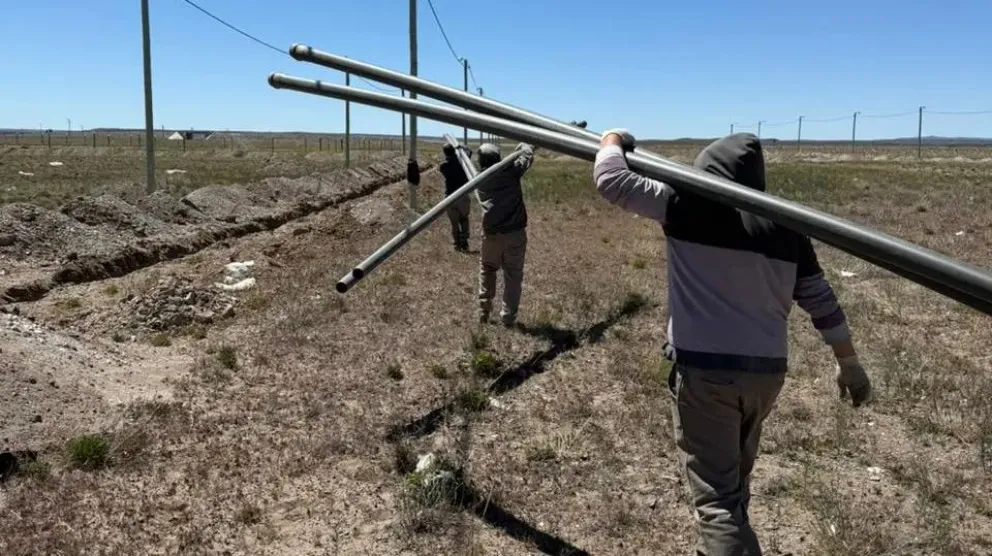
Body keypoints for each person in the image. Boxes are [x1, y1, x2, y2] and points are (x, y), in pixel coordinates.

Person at [593, 130, 872, 555]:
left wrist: (612, 139)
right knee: (734, 481)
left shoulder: (686, 202)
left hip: (708, 375)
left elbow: (612, 181)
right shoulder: (786, 225)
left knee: (717, 501)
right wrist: (848, 361)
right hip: (766, 376)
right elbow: (821, 301)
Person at [475, 142, 536, 327]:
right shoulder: (510, 172)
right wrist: (524, 147)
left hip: (491, 234)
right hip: (514, 233)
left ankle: (484, 310)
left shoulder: (480, 179)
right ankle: (508, 317)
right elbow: (527, 158)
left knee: (487, 268)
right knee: (513, 275)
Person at [439, 143, 473, 251]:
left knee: (454, 222)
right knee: (464, 219)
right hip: (462, 195)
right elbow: (470, 153)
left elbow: (445, 167)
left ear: (445, 153)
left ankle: (457, 244)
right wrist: (462, 148)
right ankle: (464, 242)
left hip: (450, 197)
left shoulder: (444, 166)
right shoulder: (462, 164)